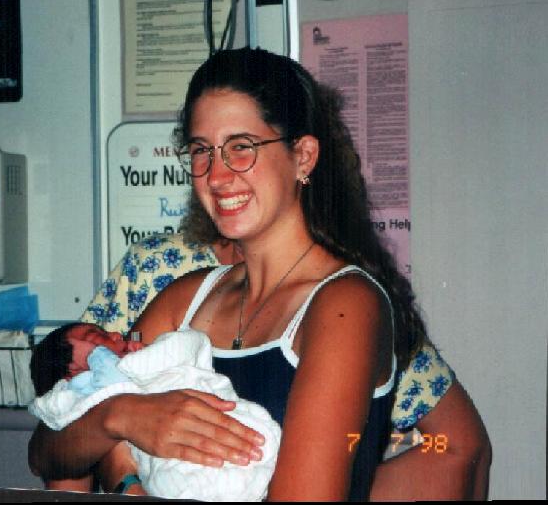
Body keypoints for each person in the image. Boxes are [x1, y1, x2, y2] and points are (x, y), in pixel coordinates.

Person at [30, 47, 491, 500]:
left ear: (303, 156)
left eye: (241, 148)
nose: (216, 175)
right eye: (201, 151)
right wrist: (122, 416)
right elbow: (47, 451)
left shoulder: (345, 305)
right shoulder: (185, 298)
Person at [29, 322, 281, 501]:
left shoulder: (136, 354)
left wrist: (122, 474)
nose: (117, 333)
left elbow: (181, 347)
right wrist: (116, 417)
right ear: (73, 373)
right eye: (97, 337)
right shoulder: (82, 396)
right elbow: (44, 454)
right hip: (166, 473)